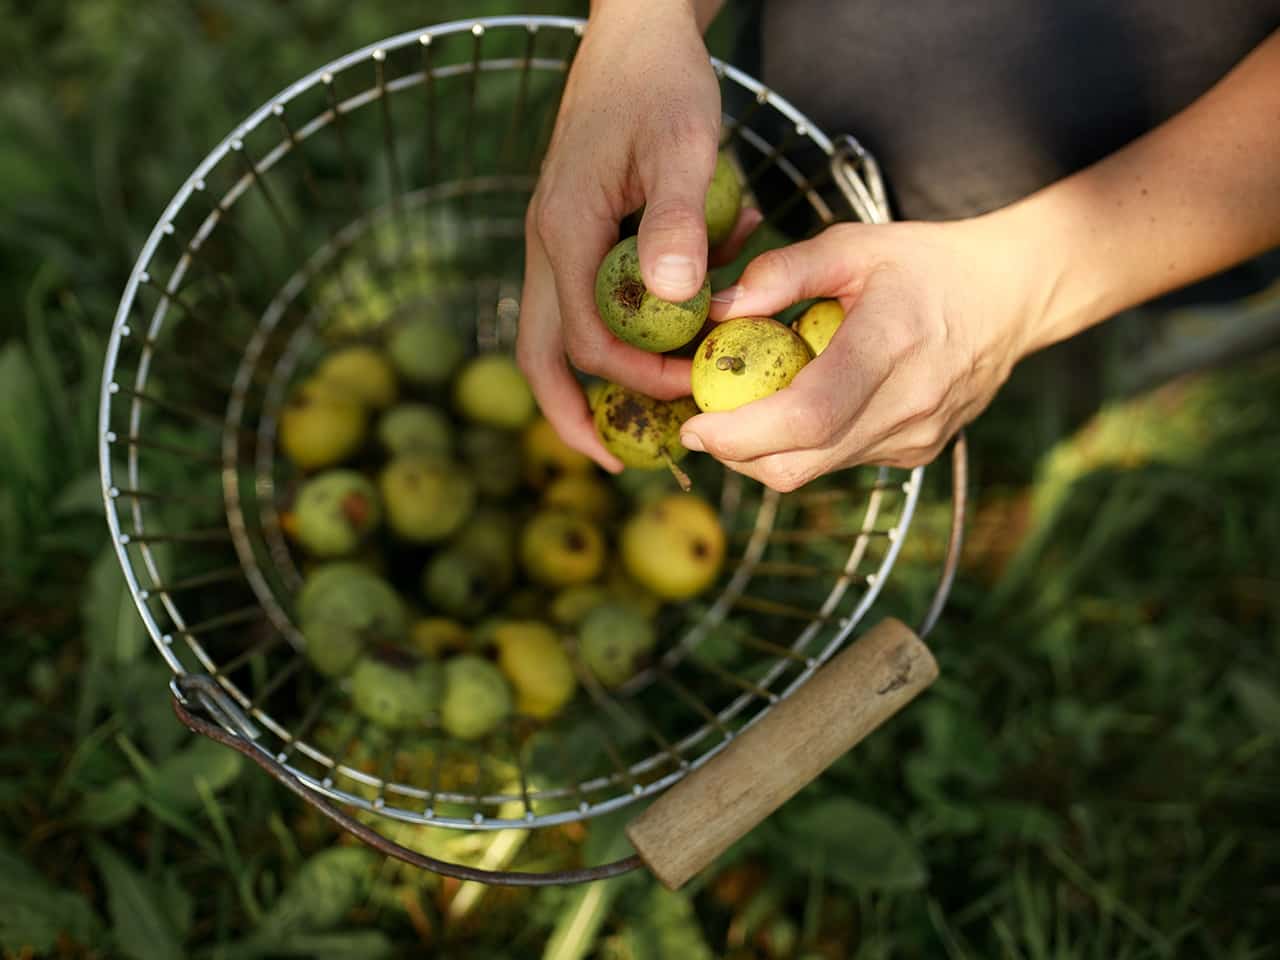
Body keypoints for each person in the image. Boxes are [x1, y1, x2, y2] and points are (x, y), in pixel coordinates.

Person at [516, 0, 1280, 492]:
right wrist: (641, 21)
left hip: (1187, 121)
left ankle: (1156, 295)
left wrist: (1026, 282)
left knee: (1158, 242)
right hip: (832, 57)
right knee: (817, 96)